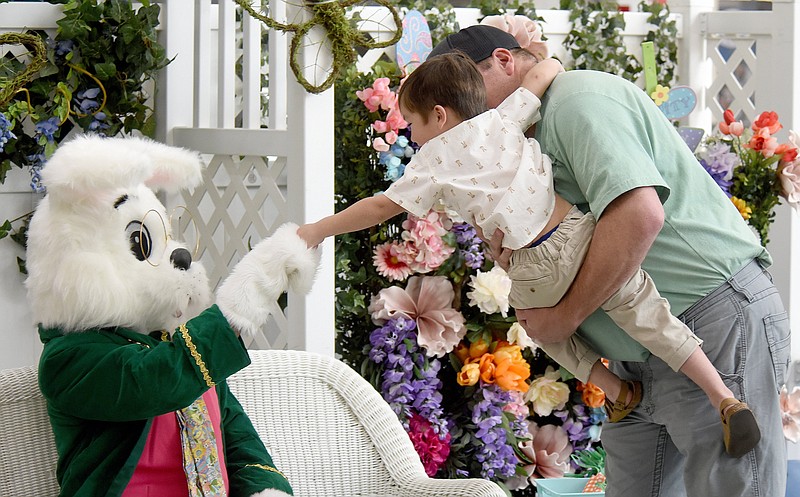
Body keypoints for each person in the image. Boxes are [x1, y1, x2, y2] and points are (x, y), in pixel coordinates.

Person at [298, 50, 759, 458]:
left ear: (438, 116)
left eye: (413, 123)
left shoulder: (430, 162)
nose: (413, 136)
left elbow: (378, 207)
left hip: (532, 266)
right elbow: (541, 74)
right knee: (653, 318)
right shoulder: (502, 121)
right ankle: (723, 397)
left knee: (542, 328)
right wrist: (547, 60)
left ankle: (617, 390)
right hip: (581, 234)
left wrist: (319, 229)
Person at [429, 24, 790, 497]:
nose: (463, 111)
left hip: (709, 317)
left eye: (464, 88)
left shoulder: (577, 100)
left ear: (503, 59)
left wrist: (564, 317)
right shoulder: (506, 145)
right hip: (635, 353)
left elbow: (639, 215)